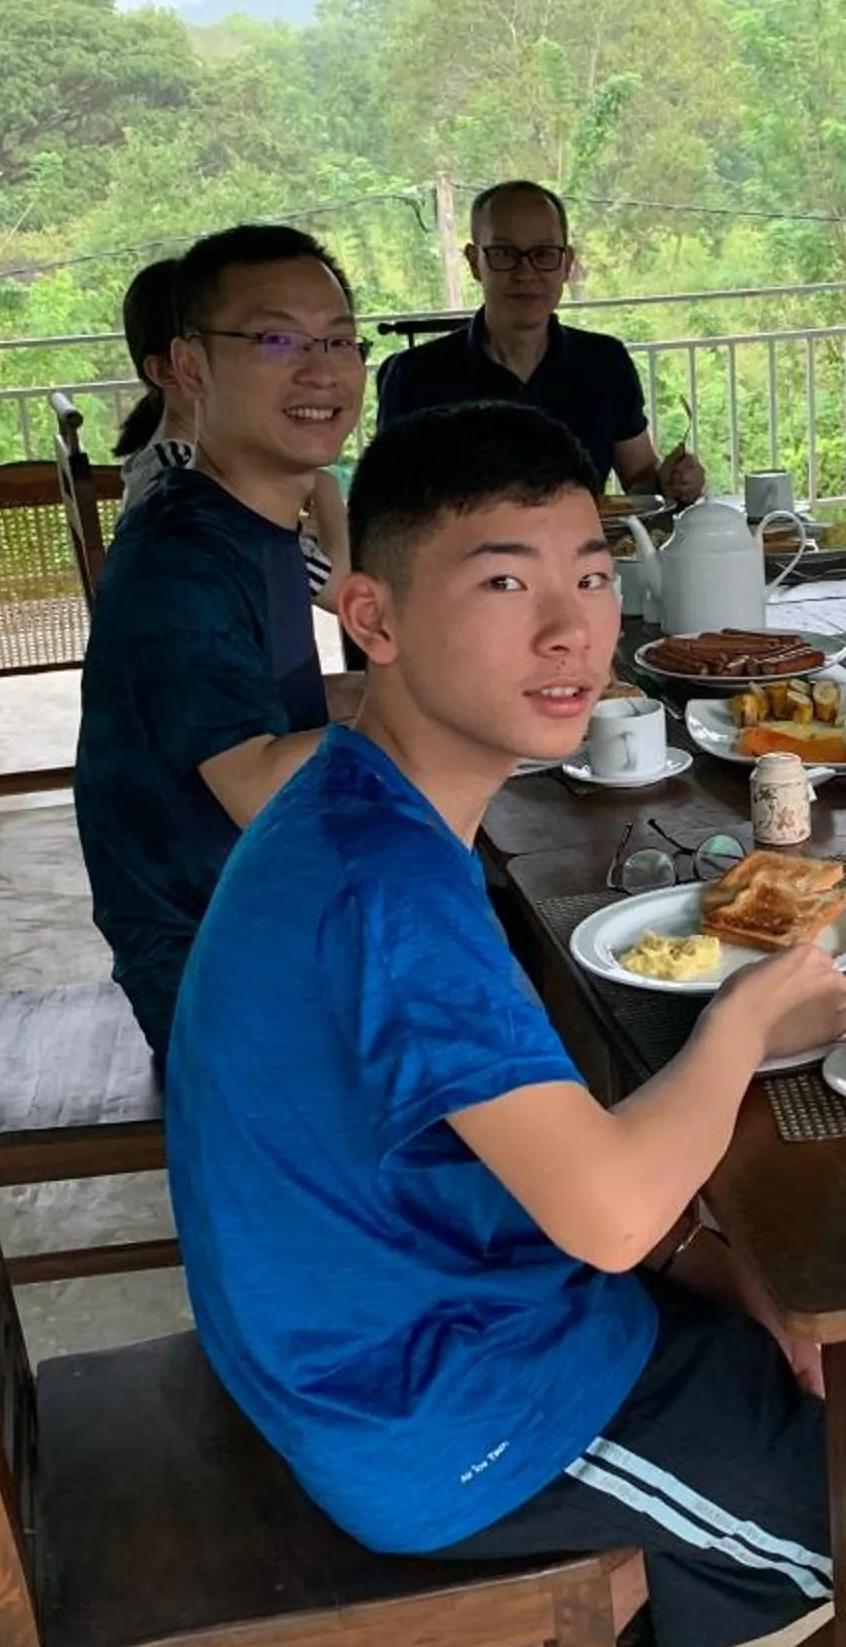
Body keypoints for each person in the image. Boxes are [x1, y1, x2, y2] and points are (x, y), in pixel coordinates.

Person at [166, 398, 846, 1647]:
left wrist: (710, 1257)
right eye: (503, 581)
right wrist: (745, 1023)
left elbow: (533, 1174)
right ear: (374, 619)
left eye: (593, 574)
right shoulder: (391, 892)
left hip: (377, 1317)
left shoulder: (358, 809)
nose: (570, 629)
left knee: (776, 1312)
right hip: (429, 1402)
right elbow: (609, 1211)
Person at [74, 224, 369, 1057]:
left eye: (338, 340)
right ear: (191, 366)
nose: (321, 370)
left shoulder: (245, 520)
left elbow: (281, 706)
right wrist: (440, 712)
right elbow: (257, 784)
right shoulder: (179, 557)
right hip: (214, 966)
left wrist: (443, 687)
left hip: (263, 902)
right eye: (277, 340)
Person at [374, 180, 708, 506]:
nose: (525, 272)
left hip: (583, 545)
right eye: (504, 254)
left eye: (544, 254)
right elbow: (388, 507)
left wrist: (671, 482)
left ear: (567, 263)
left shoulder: (604, 362)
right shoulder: (415, 376)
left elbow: (640, 478)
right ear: (475, 262)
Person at [113, 254, 346, 599]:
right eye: (269, 343)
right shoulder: (188, 487)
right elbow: (341, 589)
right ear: (177, 368)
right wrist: (323, 485)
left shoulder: (159, 463)